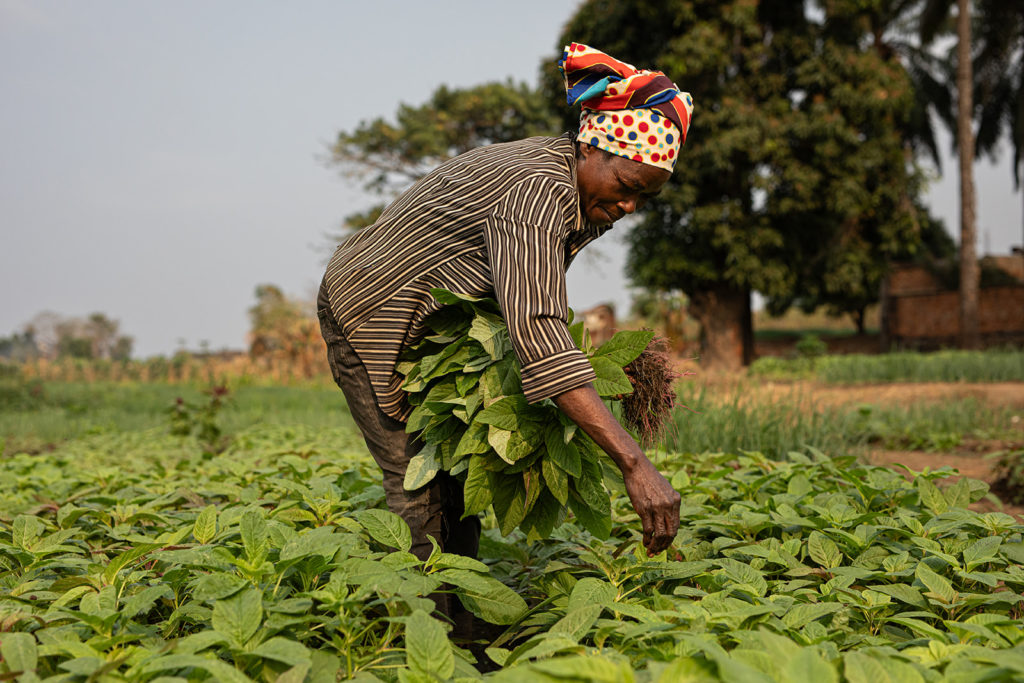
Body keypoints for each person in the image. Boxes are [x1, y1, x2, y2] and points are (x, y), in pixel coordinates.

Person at [318, 43, 692, 569]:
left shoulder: (576, 190)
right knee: (418, 482)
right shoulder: (536, 192)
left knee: (456, 470)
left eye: (644, 198)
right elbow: (538, 332)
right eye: (627, 186)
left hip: (440, 321)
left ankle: (460, 625)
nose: (629, 206)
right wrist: (634, 464)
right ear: (590, 149)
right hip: (373, 307)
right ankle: (419, 626)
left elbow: (528, 297)